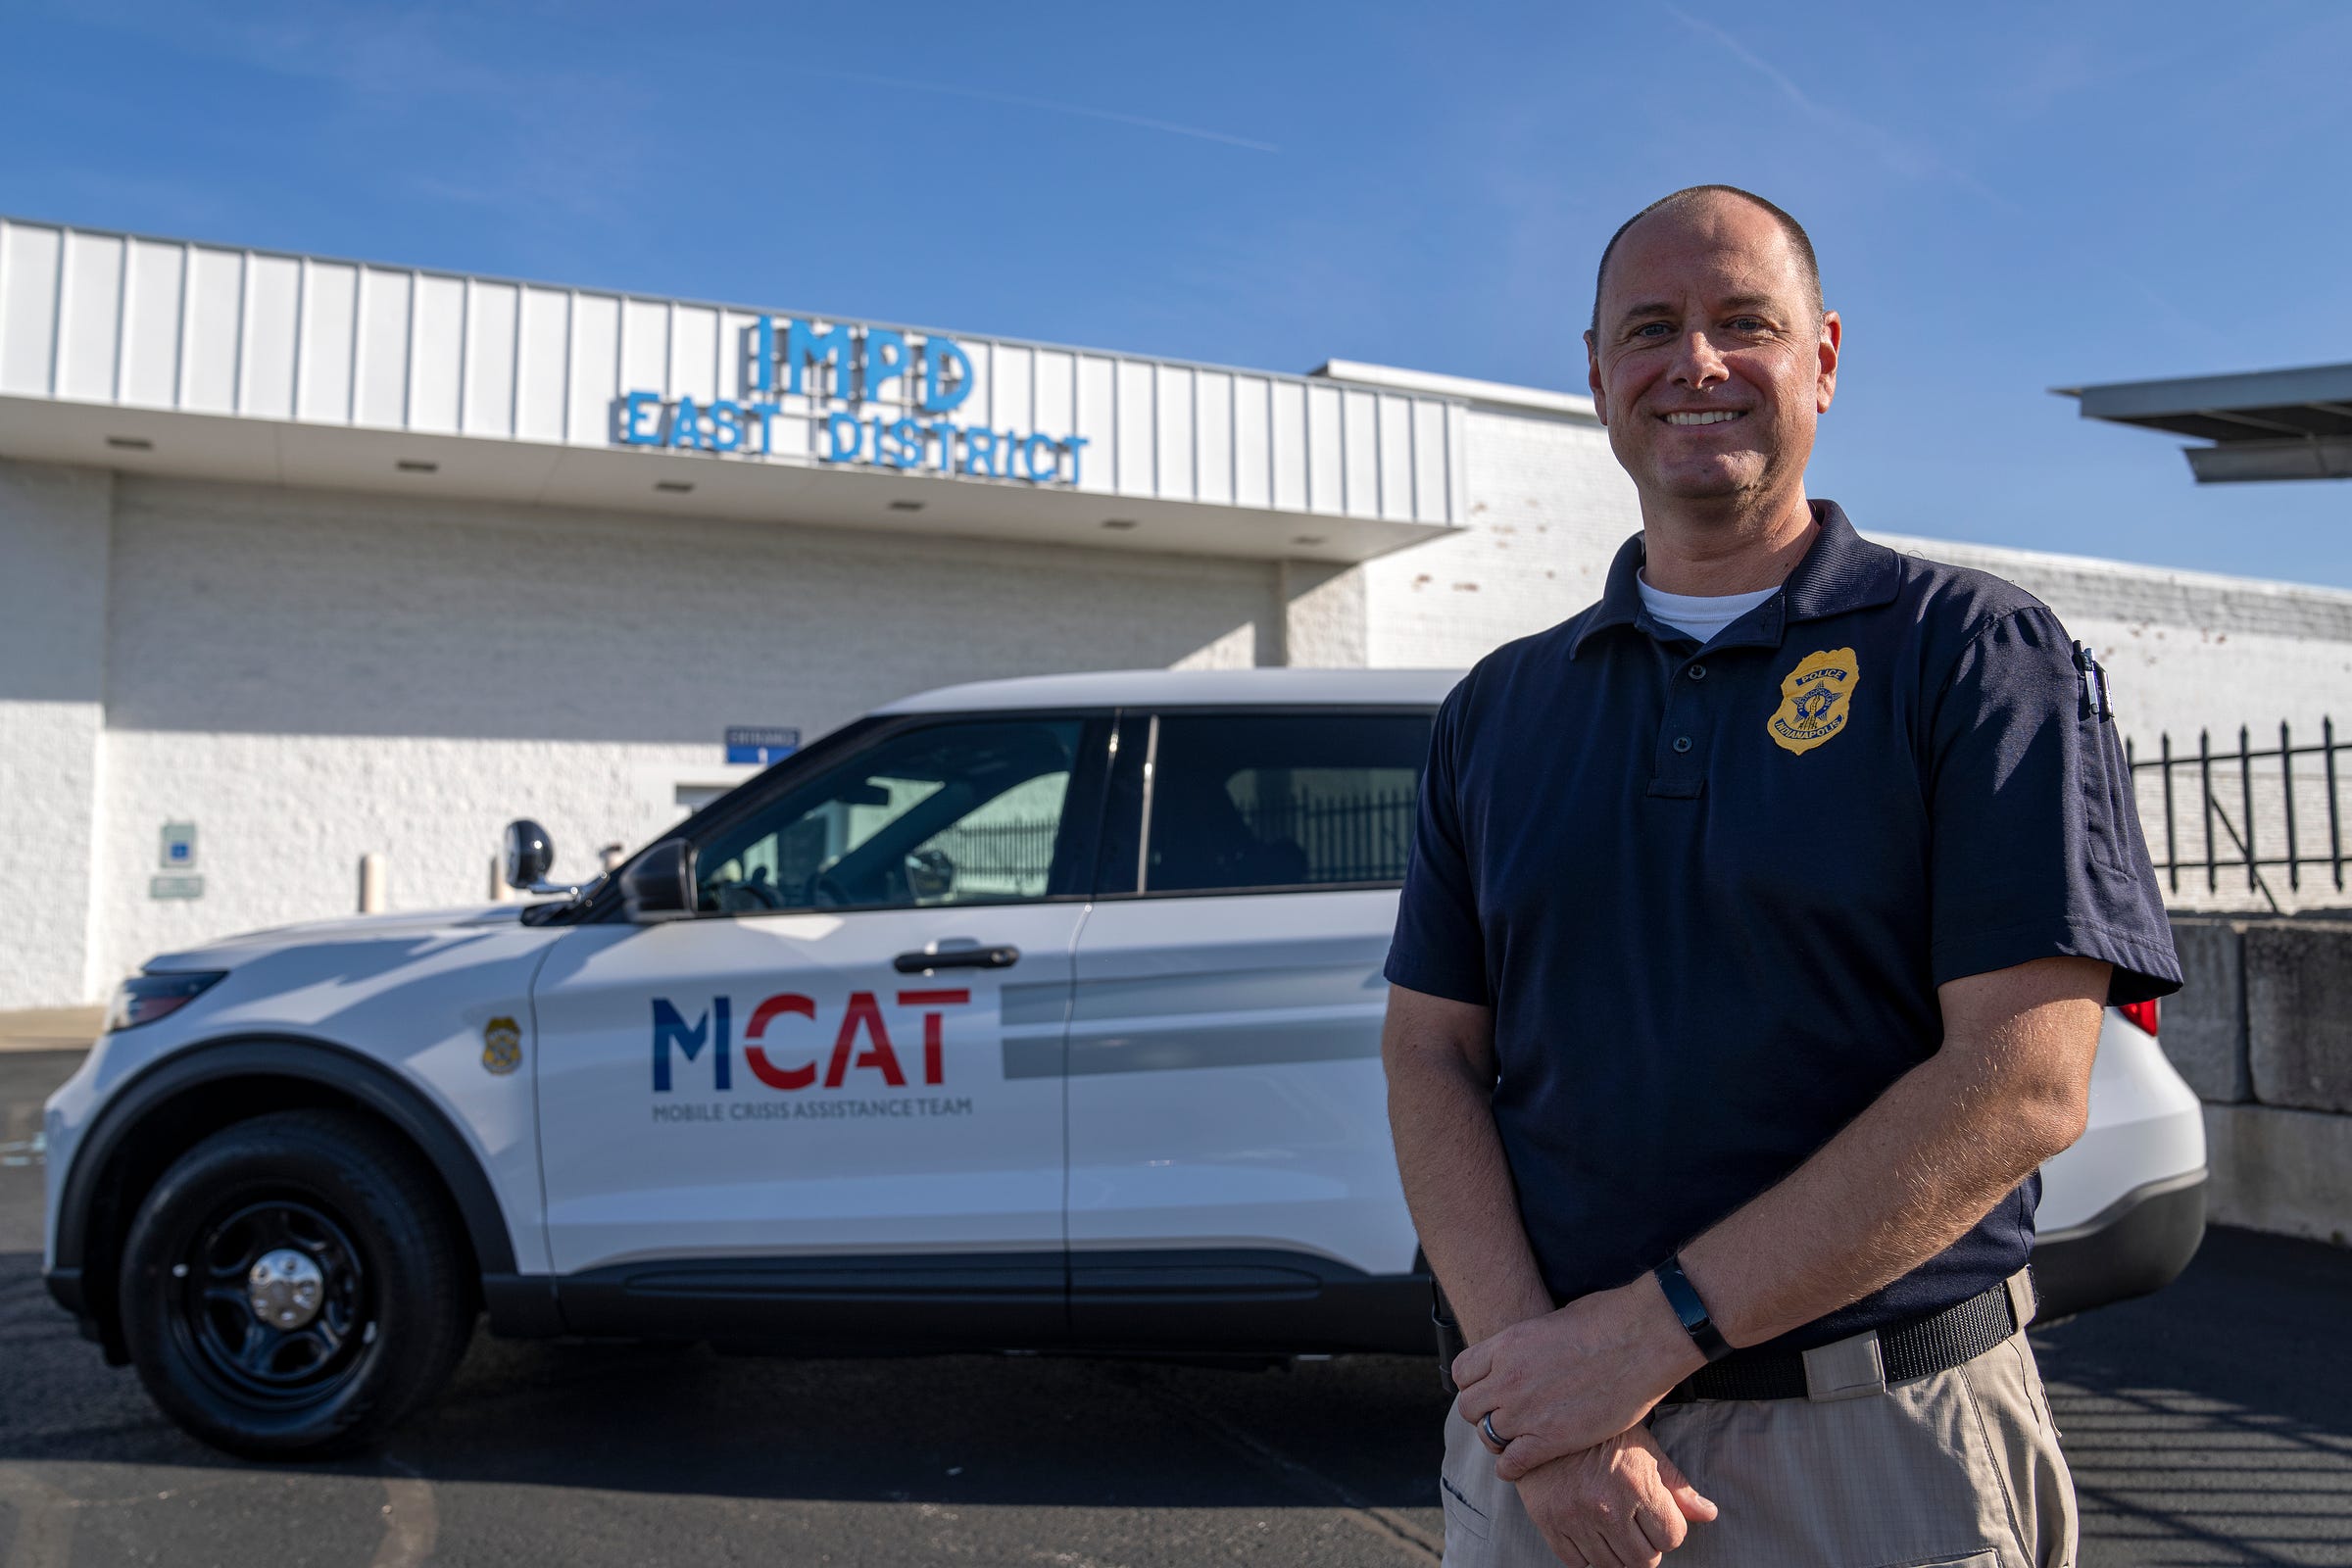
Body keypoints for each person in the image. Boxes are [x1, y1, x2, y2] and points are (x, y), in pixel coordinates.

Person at [1380, 184, 2180, 1568]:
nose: (1695, 362)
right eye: (1651, 329)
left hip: (1878, 1445)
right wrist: (1547, 1398)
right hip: (1550, 1452)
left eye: (1744, 322)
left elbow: (2026, 1082)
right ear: (1597, 376)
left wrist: (1643, 1340)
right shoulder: (1500, 709)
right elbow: (1429, 1055)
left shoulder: (1975, 655)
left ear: (1823, 360)